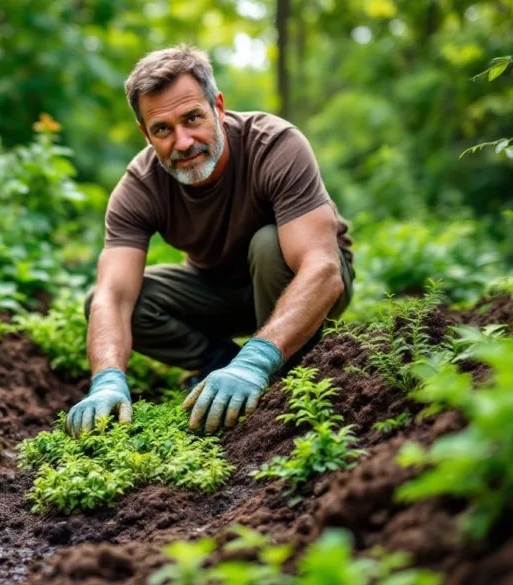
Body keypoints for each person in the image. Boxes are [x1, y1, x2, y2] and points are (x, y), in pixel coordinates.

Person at [65, 45, 354, 437]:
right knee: (111, 299)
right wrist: (107, 380)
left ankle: (280, 369)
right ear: (146, 134)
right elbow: (113, 297)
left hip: (301, 282)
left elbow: (323, 268)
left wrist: (256, 360)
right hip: (219, 290)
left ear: (218, 107)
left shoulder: (274, 145)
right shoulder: (140, 186)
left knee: (268, 244)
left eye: (192, 118)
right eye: (162, 129)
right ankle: (220, 362)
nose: (183, 142)